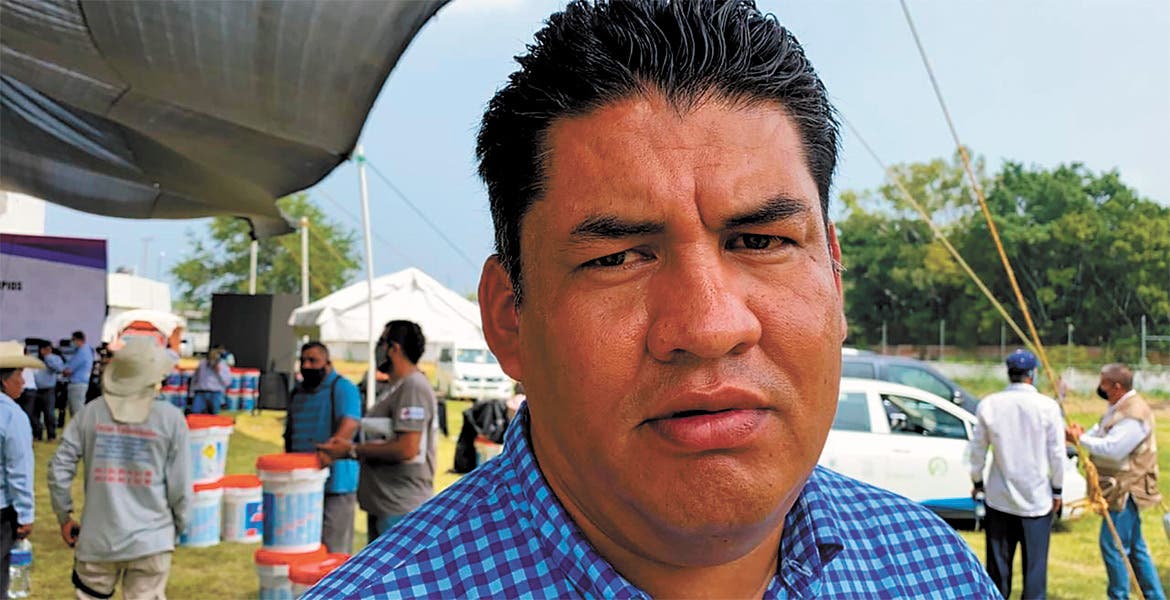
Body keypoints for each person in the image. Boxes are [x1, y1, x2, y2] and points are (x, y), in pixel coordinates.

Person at [307, 2, 997, 597]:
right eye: (617, 258)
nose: (710, 325)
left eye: (762, 241)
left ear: (835, 279)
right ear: (510, 319)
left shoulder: (933, 572)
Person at [48, 337, 191, 600]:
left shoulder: (91, 413)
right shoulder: (171, 419)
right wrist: (180, 526)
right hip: (152, 540)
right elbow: (180, 486)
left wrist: (64, 515)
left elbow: (59, 467)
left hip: (98, 538)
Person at [319, 320, 438, 541]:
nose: (378, 349)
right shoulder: (397, 387)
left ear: (394, 348)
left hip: (399, 509)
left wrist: (352, 450)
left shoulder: (413, 386)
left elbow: (407, 448)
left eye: (381, 342)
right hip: (384, 505)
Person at [968, 349, 1065, 599]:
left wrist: (977, 481)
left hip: (999, 497)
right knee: (1034, 570)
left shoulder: (990, 404)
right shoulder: (1047, 407)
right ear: (1032, 374)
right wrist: (1057, 489)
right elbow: (1057, 454)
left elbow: (977, 450)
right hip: (1036, 499)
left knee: (998, 570)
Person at [1066, 363, 1165, 600]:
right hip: (1118, 486)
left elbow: (1114, 449)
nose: (1100, 387)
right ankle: (1155, 596)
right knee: (1136, 549)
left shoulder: (1135, 414)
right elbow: (1100, 432)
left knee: (1113, 546)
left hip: (1127, 489)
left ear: (1117, 387)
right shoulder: (1118, 407)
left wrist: (1082, 439)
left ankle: (1119, 596)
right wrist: (1080, 436)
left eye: (1104, 383)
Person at [285, 342, 360, 554]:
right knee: (302, 545)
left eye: (313, 361)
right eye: (303, 361)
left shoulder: (342, 388)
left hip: (337, 484)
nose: (307, 366)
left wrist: (329, 453)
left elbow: (350, 423)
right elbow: (291, 431)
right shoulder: (297, 392)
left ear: (327, 363)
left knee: (333, 548)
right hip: (302, 483)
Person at [0, 342, 41, 599]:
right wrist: (26, 514)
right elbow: (19, 471)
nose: (23, 382)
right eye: (19, 375)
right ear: (4, 380)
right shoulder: (12, 416)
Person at [32, 340, 66, 441]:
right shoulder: (34, 358)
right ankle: (37, 435)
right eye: (44, 349)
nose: (47, 351)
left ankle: (51, 435)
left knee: (49, 414)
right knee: (35, 414)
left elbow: (60, 369)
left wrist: (48, 357)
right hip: (35, 389)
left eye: (49, 349)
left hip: (48, 389)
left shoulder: (55, 358)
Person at [61, 330, 95, 420]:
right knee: (77, 410)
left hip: (77, 384)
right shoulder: (87, 350)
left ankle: (81, 428)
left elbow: (69, 370)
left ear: (78, 340)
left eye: (73, 340)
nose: (72, 342)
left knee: (76, 411)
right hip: (81, 384)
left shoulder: (82, 352)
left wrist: (62, 371)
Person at [189, 346, 232, 414]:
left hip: (215, 394)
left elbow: (227, 382)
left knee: (214, 414)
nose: (211, 362)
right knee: (195, 413)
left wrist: (219, 372)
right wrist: (191, 393)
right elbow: (195, 378)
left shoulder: (223, 365)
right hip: (201, 392)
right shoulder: (202, 363)